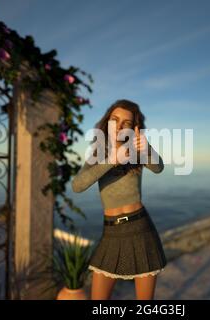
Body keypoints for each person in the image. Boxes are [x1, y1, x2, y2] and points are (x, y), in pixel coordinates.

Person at [71, 99, 167, 300]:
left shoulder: (136, 151)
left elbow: (158, 167)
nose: (120, 125)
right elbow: (77, 186)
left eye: (126, 123)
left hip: (140, 229)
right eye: (115, 119)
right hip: (111, 232)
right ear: (107, 122)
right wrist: (111, 160)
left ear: (133, 128)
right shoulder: (98, 155)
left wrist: (146, 148)